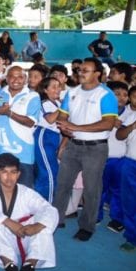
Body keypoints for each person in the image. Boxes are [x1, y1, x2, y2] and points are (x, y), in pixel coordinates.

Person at [53, 57, 118, 242]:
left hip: (95, 148)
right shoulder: (72, 92)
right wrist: (64, 137)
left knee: (92, 189)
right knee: (63, 184)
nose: (81, 72)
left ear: (97, 73)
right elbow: (63, 117)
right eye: (80, 69)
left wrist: (76, 127)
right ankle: (56, 219)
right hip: (73, 146)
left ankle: (87, 226)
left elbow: (108, 123)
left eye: (86, 70)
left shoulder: (105, 95)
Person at [0, 153, 57, 271]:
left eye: (13, 172)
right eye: (4, 172)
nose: (9, 177)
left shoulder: (26, 192)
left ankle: (29, 266)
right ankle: (10, 267)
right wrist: (9, 222)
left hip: (25, 236)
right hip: (0, 239)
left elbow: (49, 209)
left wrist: (36, 226)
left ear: (18, 174)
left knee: (44, 222)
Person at [0, 66, 41, 188]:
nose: (16, 80)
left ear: (25, 79)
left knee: (23, 190)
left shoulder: (33, 96)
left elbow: (30, 122)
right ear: (7, 78)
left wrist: (9, 113)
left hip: (23, 151)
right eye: (12, 76)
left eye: (20, 76)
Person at [98, 81, 136, 233]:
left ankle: (118, 218)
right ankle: (96, 215)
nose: (121, 98)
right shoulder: (100, 111)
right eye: (116, 94)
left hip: (121, 158)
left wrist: (121, 126)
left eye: (124, 94)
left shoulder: (134, 114)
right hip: (101, 156)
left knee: (118, 190)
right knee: (98, 188)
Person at [115, 87, 136, 251]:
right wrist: (134, 126)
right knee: (131, 203)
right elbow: (119, 135)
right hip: (130, 164)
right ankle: (135, 238)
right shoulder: (134, 116)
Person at [33, 77, 63, 202]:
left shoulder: (58, 104)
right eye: (53, 86)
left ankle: (40, 202)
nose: (58, 89)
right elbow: (50, 119)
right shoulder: (45, 103)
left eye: (59, 86)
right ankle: (48, 205)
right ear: (45, 90)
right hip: (44, 136)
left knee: (49, 171)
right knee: (49, 172)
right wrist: (64, 106)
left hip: (55, 137)